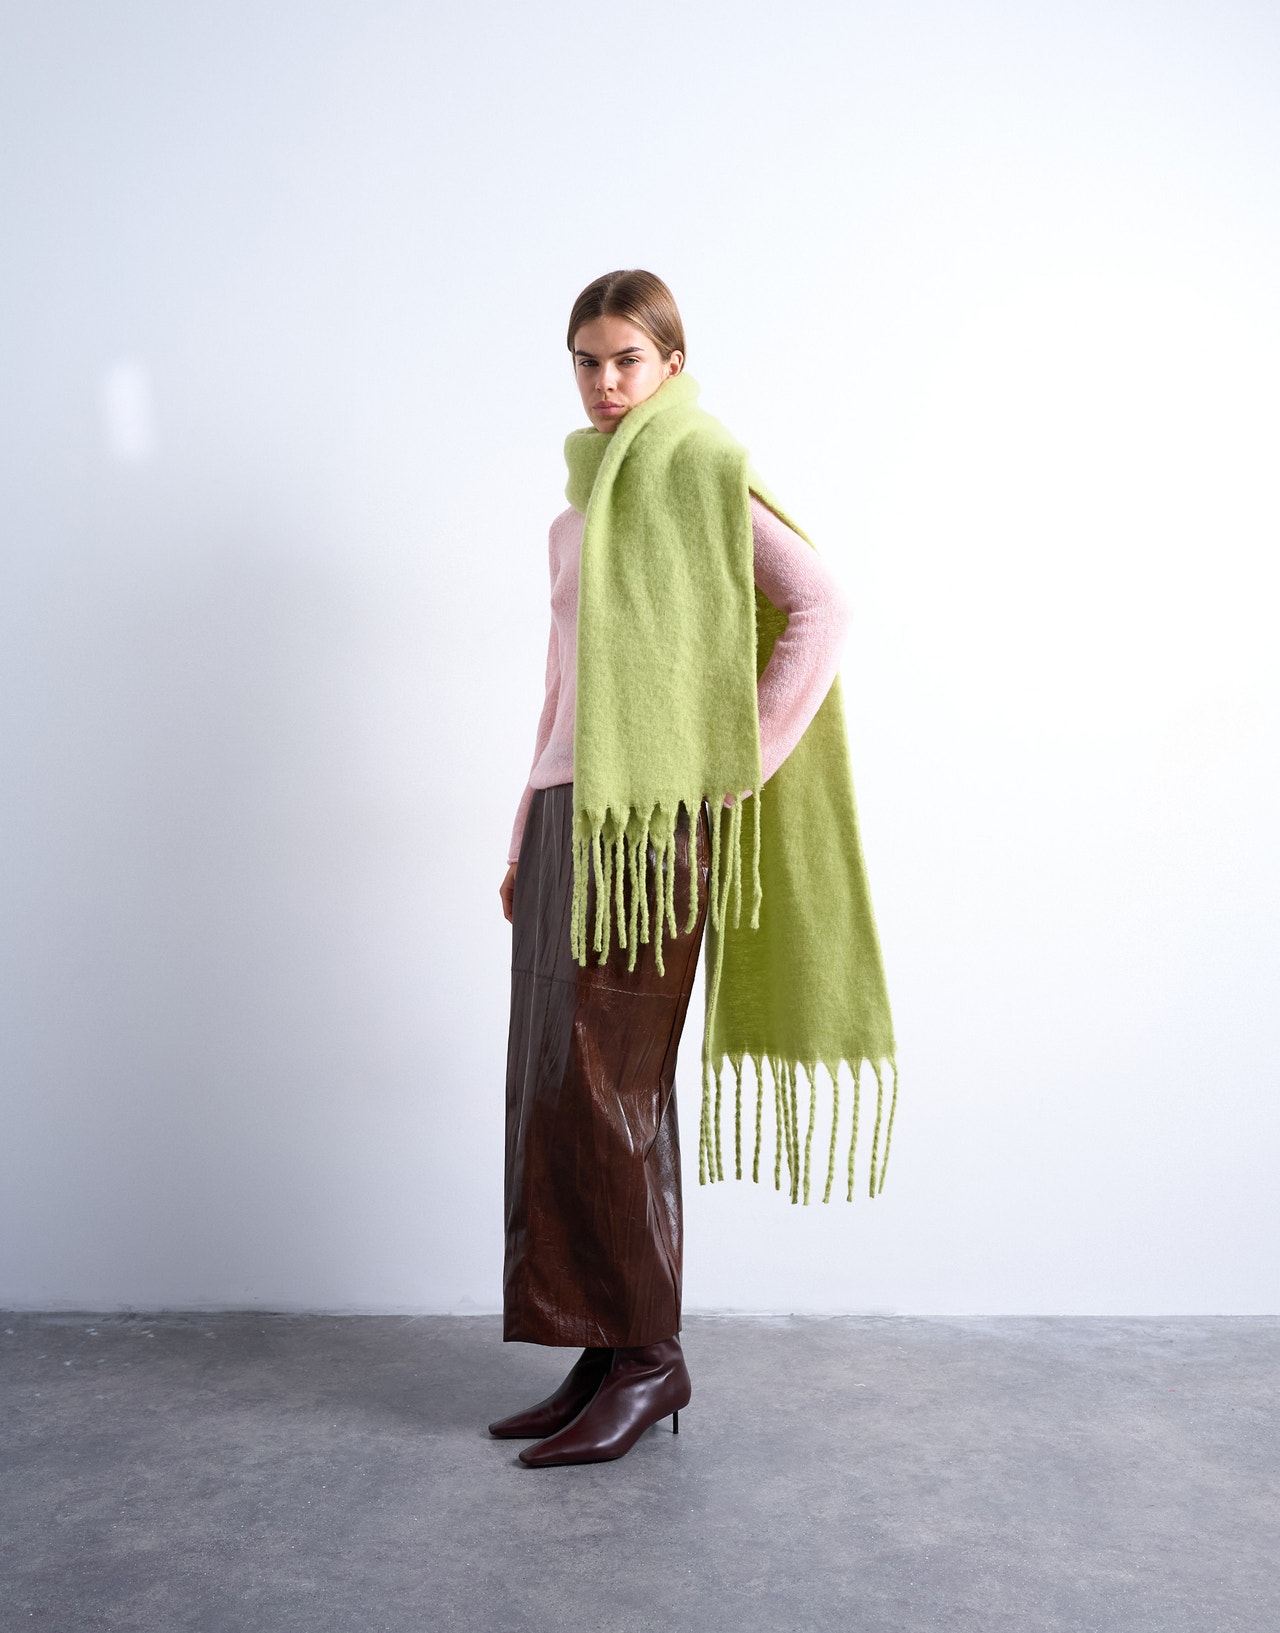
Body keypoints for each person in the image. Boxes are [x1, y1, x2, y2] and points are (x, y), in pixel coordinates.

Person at [490, 270, 895, 1469]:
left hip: (648, 833)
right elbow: (562, 689)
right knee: (555, 1090)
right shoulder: (577, 513)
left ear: (671, 361)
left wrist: (734, 769)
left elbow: (820, 606)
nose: (604, 382)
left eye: (626, 358)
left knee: (612, 1087)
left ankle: (649, 1359)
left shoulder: (702, 467)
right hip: (570, 819)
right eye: (586, 360)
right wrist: (520, 831)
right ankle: (599, 1344)